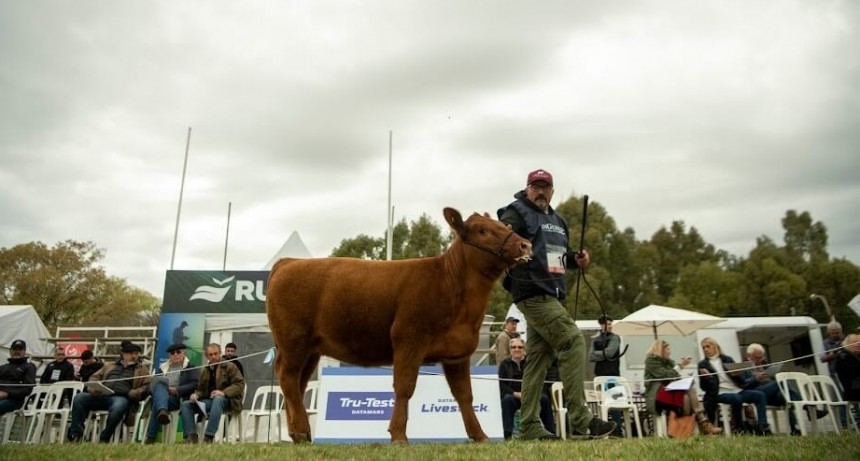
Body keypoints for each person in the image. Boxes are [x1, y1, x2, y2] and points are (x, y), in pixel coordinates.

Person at [497, 168, 615, 440]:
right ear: (527, 188)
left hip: (553, 292)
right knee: (573, 340)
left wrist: (576, 259)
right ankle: (581, 418)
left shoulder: (559, 220)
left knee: (537, 360)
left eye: (545, 187)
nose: (540, 191)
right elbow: (504, 239)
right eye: (535, 186)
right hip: (531, 291)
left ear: (552, 191)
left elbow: (558, 255)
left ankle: (528, 425)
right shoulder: (515, 212)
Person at [66, 340, 151, 443]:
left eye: (136, 354)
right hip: (101, 395)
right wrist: (94, 388)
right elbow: (94, 377)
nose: (134, 356)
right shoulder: (110, 365)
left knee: (118, 406)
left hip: (121, 397)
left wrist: (134, 393)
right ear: (123, 354)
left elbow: (146, 386)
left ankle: (105, 437)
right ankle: (76, 434)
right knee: (79, 398)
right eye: (131, 353)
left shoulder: (142, 369)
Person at [643, 339, 721, 435]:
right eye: (667, 349)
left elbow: (676, 378)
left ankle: (684, 431)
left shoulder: (670, 362)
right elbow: (665, 376)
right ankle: (702, 423)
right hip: (657, 396)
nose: (670, 352)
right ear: (660, 350)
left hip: (671, 393)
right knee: (688, 391)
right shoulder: (651, 361)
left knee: (686, 397)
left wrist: (686, 380)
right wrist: (681, 365)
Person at [697, 337, 770, 435]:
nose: (705, 349)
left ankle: (763, 426)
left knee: (759, 395)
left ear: (715, 347)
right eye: (703, 348)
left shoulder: (728, 359)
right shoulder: (703, 364)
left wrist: (737, 374)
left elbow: (741, 381)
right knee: (736, 398)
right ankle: (739, 427)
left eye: (708, 346)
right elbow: (703, 388)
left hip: (736, 389)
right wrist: (707, 378)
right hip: (719, 392)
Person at [180, 343, 245, 443]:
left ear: (220, 353)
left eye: (216, 354)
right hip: (210, 401)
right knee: (186, 405)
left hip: (229, 401)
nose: (213, 357)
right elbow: (201, 389)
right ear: (207, 356)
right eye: (210, 355)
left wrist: (223, 392)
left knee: (218, 399)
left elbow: (240, 384)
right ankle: (191, 437)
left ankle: (209, 437)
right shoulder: (204, 371)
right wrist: (196, 395)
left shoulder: (230, 366)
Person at [498, 337, 555, 440]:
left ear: (524, 349)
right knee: (507, 400)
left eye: (520, 347)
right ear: (510, 349)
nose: (517, 349)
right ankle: (507, 435)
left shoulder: (531, 362)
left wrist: (530, 394)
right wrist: (516, 394)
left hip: (532, 394)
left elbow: (539, 380)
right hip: (514, 396)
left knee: (544, 399)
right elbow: (502, 385)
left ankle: (550, 433)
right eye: (513, 347)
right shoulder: (504, 364)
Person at [144, 343, 200, 444]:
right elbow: (151, 386)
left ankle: (150, 437)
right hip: (163, 397)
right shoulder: (162, 368)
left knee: (158, 402)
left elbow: (195, 384)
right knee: (160, 385)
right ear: (170, 355)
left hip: (178, 398)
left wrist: (177, 390)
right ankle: (162, 410)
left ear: (184, 353)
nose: (175, 355)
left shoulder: (190, 367)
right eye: (172, 353)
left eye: (178, 352)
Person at [744, 343, 800, 435]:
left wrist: (772, 372)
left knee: (786, 397)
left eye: (761, 357)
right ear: (749, 356)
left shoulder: (764, 364)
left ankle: (794, 428)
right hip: (757, 392)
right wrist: (756, 379)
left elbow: (773, 379)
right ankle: (804, 404)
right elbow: (744, 384)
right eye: (757, 357)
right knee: (782, 383)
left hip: (771, 393)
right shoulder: (744, 367)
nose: (760, 360)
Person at [588, 314, 624, 436]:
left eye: (611, 324)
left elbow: (610, 353)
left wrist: (599, 354)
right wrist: (603, 354)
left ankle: (617, 431)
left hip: (612, 375)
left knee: (614, 403)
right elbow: (590, 356)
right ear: (602, 325)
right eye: (608, 324)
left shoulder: (615, 338)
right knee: (602, 403)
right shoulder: (596, 339)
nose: (610, 326)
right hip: (599, 376)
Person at [0, 339, 37, 417]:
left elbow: (27, 389)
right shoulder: (3, 367)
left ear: (24, 351)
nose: (17, 351)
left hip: (15, 400)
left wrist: (7, 394)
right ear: (10, 351)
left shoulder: (29, 367)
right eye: (15, 349)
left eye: (20, 349)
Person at [834, 333, 860, 424]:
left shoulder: (856, 356)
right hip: (852, 390)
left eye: (859, 341)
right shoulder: (843, 357)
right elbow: (854, 372)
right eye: (854, 342)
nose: (858, 343)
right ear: (847, 344)